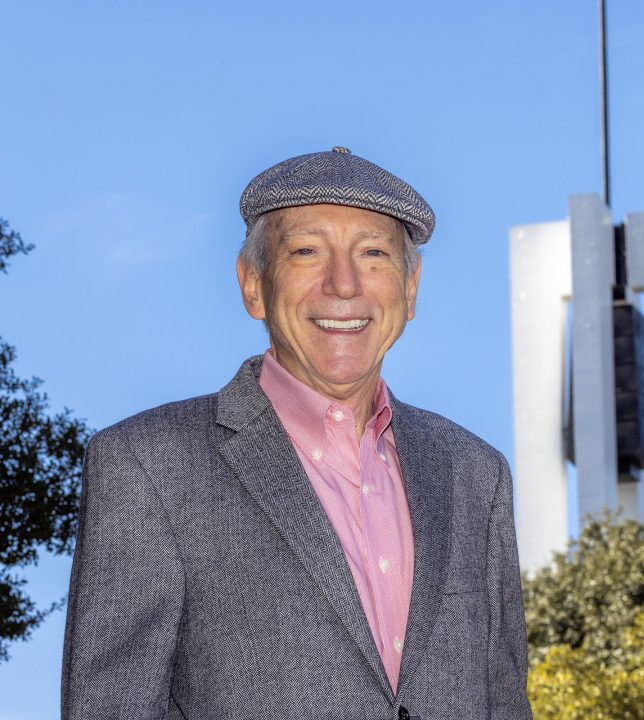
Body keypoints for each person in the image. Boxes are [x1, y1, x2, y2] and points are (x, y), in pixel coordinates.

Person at [61, 146, 532, 720]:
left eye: (374, 253)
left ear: (410, 290)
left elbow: (505, 702)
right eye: (308, 251)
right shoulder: (146, 464)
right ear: (253, 284)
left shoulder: (475, 474)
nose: (343, 284)